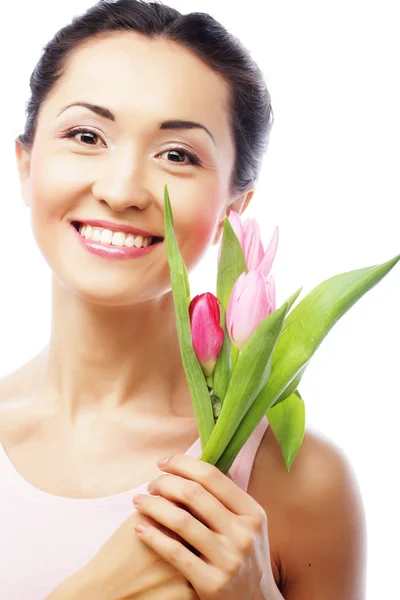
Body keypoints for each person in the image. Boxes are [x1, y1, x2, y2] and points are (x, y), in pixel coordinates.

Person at [0, 0, 366, 598]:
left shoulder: (301, 483)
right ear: (25, 162)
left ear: (233, 207)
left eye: (177, 155)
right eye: (86, 135)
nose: (120, 191)